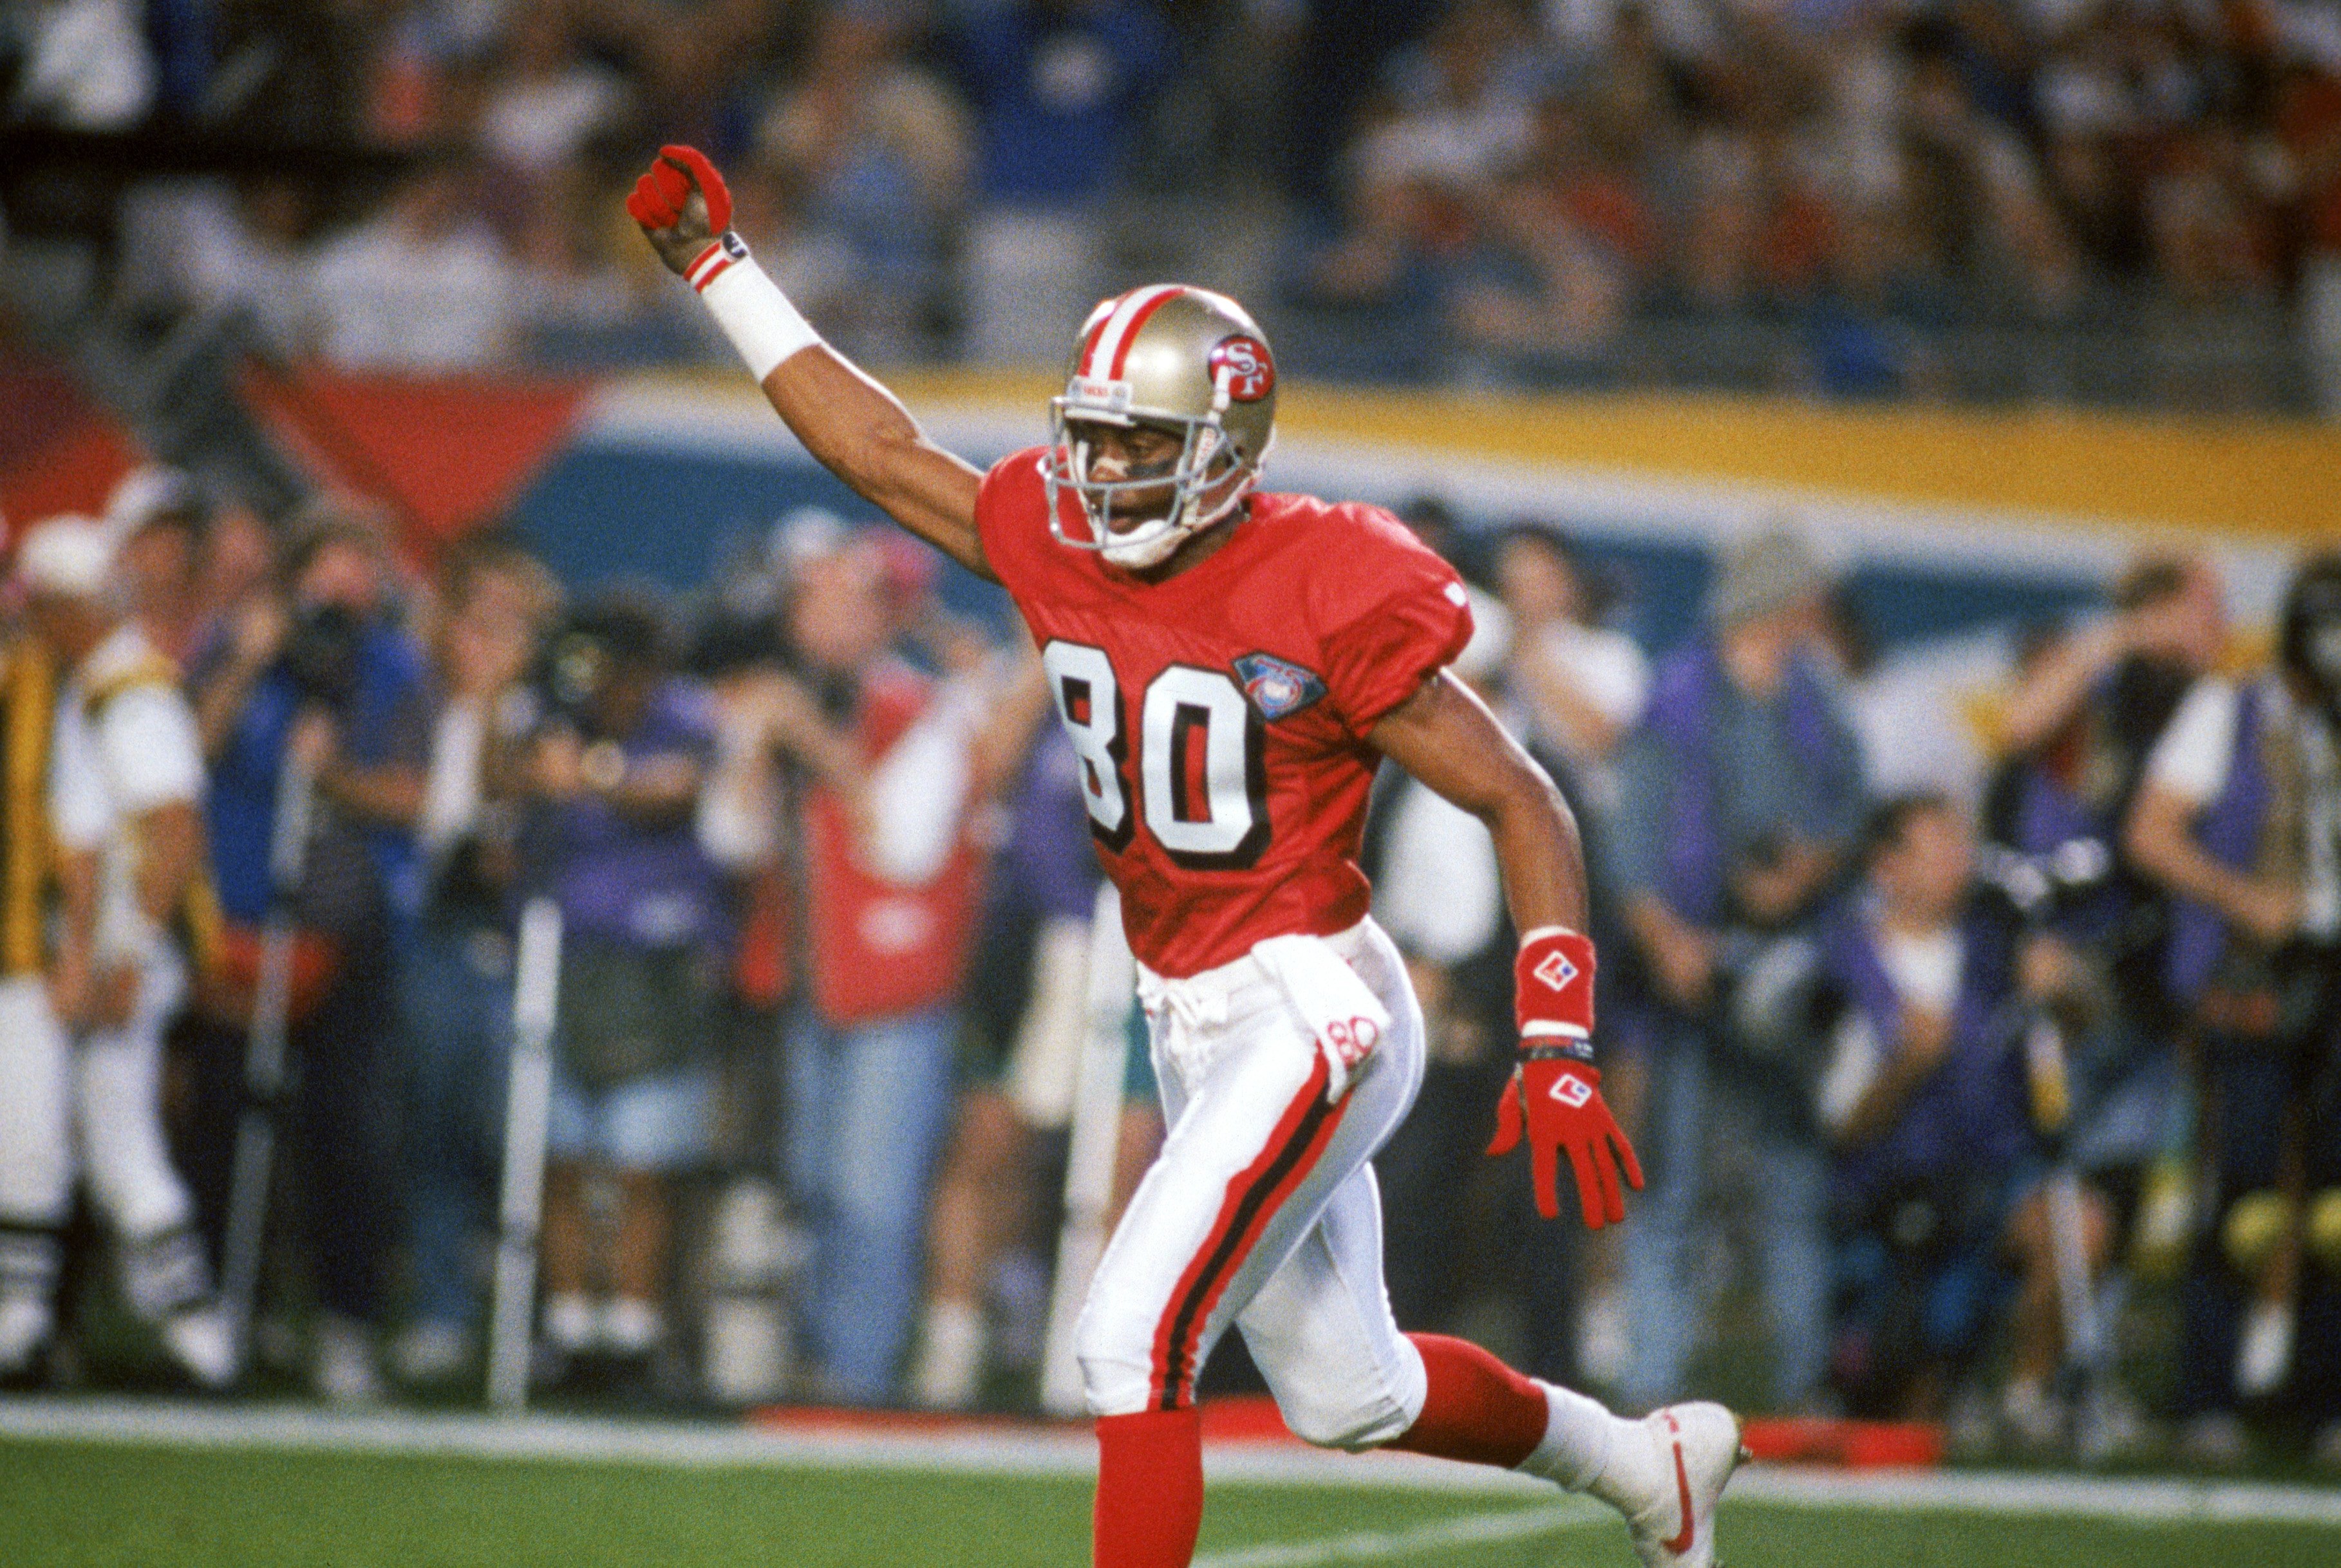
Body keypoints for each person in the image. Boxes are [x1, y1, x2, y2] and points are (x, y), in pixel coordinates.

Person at [628, 145, 1740, 1568]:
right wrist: (723, 271)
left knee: (1130, 1334)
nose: (1102, 471)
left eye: (1141, 444)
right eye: (1092, 437)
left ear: (1227, 446)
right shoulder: (1057, 532)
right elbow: (881, 454)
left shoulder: (1327, 579)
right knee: (1356, 1393)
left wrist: (1558, 1033)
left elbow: (1524, 797)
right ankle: (1649, 1469)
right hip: (1186, 1000)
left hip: (1312, 998)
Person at [1606, 527, 1869, 1415]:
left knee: (1792, 1176)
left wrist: (1807, 867)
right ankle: (1656, 1375)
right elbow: (1631, 837)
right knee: (1670, 1176)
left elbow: (1851, 810)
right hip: (1687, 960)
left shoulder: (1812, 699)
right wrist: (1666, 937)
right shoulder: (1679, 698)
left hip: (1788, 955)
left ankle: (1803, 1381)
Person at [183, 505, 431, 1403]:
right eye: (325, 569)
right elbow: (186, 753)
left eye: (357, 569)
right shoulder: (242, 650)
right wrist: (248, 659)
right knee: (223, 1124)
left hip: (347, 932)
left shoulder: (394, 669)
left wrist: (331, 776)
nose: (340, 590)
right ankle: (219, 1311)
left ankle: (345, 1323)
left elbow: (415, 794)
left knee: (349, 1138)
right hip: (243, 925)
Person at [2124, 555, 2341, 1466]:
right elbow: (2151, 831)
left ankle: (2321, 1397)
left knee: (2336, 1202)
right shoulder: (2232, 707)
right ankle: (2208, 1392)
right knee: (2241, 1190)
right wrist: (2241, 897)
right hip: (2255, 968)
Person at [12, 516, 234, 1388]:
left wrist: (125, 953)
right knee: (113, 1143)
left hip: (122, 952)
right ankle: (191, 1335)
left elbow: (172, 828)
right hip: (107, 949)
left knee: (70, 1136)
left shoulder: (126, 688)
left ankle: (30, 1326)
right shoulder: (93, 681)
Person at [522, 595, 721, 1372]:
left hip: (655, 969)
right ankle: (570, 1331)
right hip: (565, 963)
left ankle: (634, 1338)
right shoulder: (548, 713)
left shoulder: (684, 717)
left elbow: (676, 788)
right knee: (564, 1157)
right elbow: (504, 782)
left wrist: (591, 775)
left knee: (643, 1163)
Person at [388, 536, 558, 1387]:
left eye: (509, 621)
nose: (488, 640)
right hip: (433, 933)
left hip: (517, 941)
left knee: (514, 1134)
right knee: (435, 1127)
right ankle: (441, 1309)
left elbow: (504, 804)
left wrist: (497, 703)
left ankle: (525, 1312)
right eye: (475, 619)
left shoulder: (545, 707)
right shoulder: (411, 700)